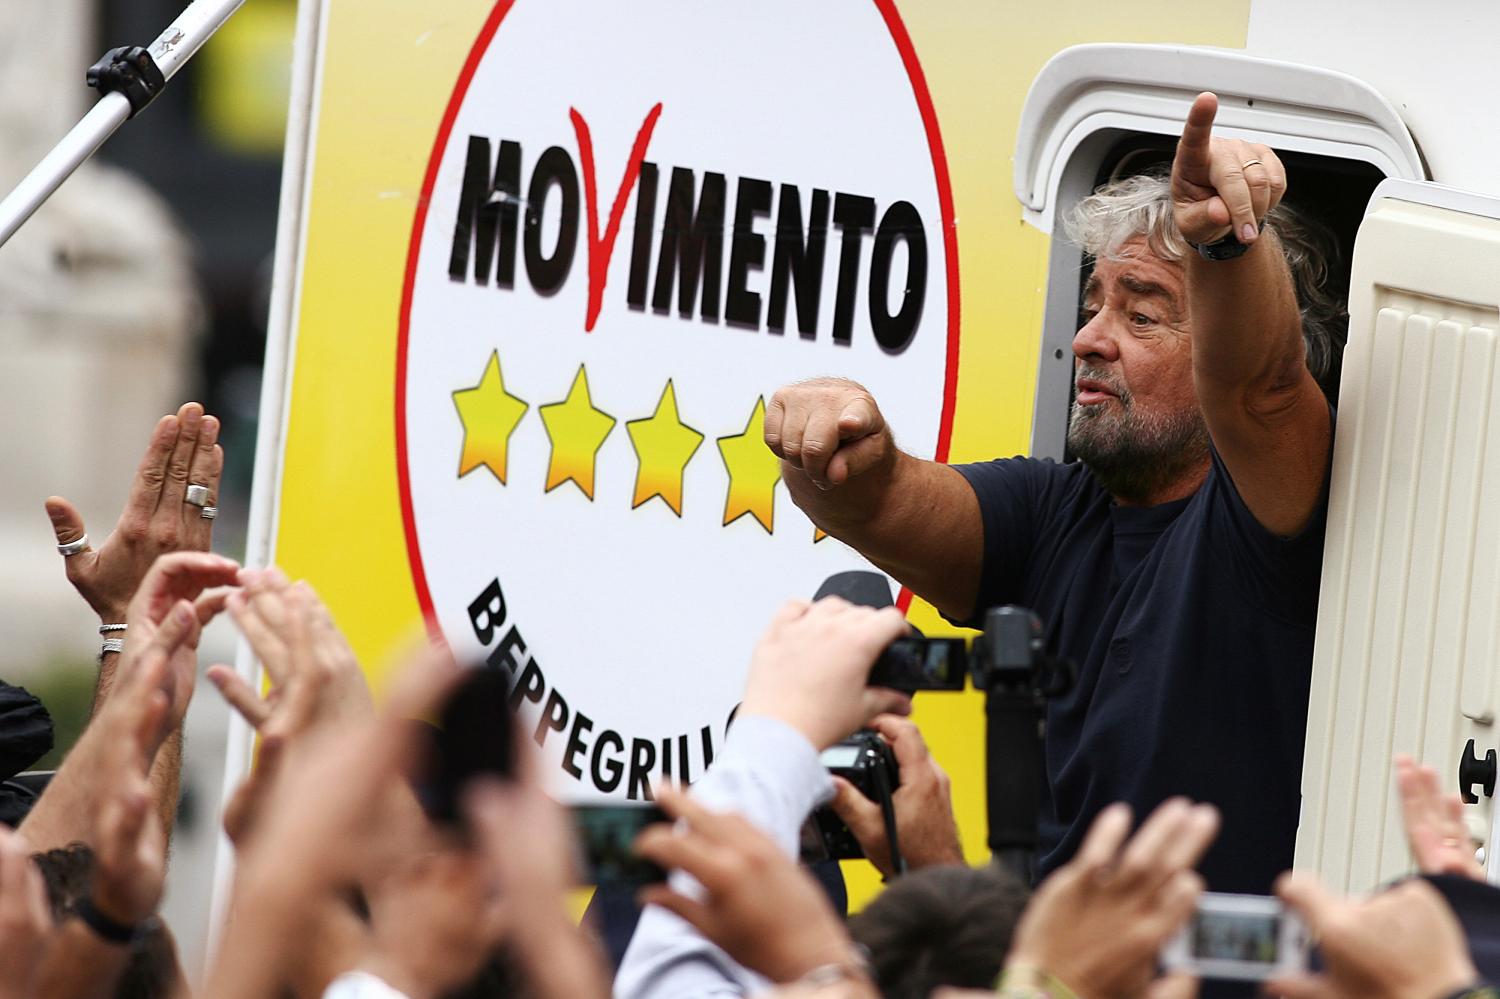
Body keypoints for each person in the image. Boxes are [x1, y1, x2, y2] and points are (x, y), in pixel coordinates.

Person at [764, 93, 1339, 894]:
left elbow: (1261, 389)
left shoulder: (1264, 526)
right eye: (1093, 303)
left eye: (1141, 314)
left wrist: (1225, 248)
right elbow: (875, 499)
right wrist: (828, 437)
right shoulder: (1054, 509)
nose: (1089, 338)